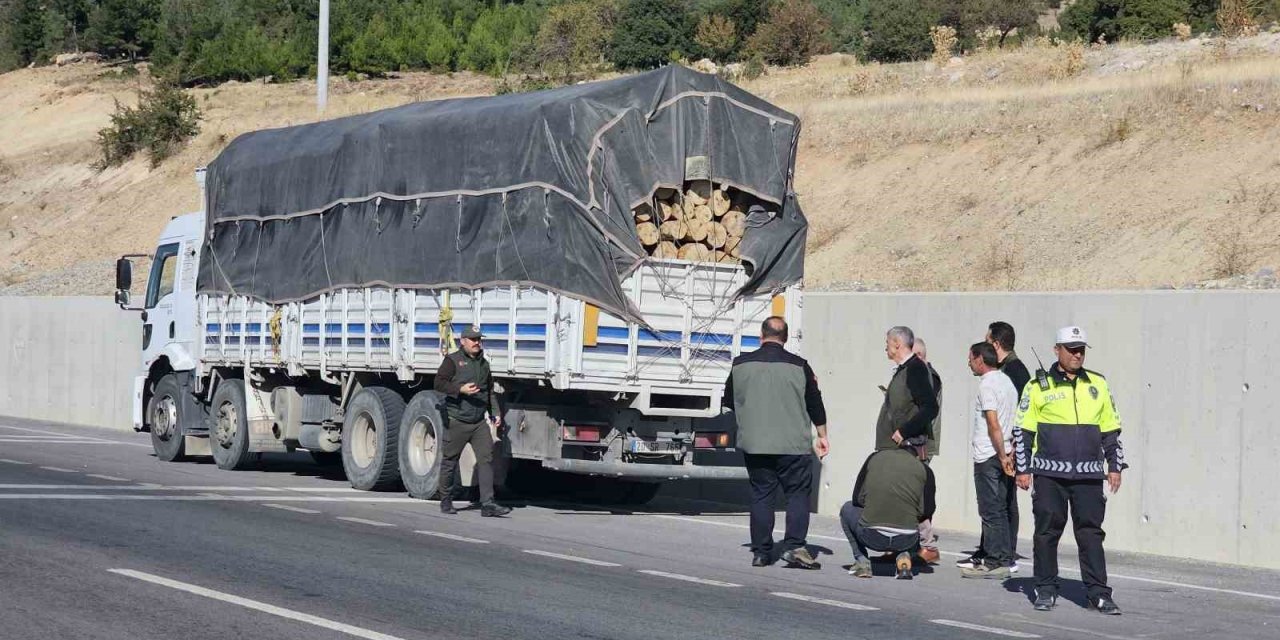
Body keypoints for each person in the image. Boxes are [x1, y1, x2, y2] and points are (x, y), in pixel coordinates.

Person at [1014, 326, 1127, 614]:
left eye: (1081, 350)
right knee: (1047, 533)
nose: (1077, 355)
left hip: (1089, 476)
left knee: (1091, 534)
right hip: (1049, 475)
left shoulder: (1098, 384)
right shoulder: (1037, 386)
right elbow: (1022, 430)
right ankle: (1045, 588)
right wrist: (1022, 469)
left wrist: (1115, 466)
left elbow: (1111, 429)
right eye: (1071, 349)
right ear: (1057, 350)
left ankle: (1098, 593)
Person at [724, 317, 829, 569]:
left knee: (762, 495)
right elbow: (815, 403)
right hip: (793, 445)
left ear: (761, 336)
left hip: (755, 444)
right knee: (797, 495)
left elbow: (728, 400)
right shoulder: (799, 366)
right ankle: (794, 547)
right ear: (786, 338)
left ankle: (761, 553)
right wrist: (823, 435)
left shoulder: (740, 365)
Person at [876, 326, 940, 563]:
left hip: (907, 446)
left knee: (909, 494)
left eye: (887, 342)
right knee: (896, 496)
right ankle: (897, 547)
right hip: (896, 447)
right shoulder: (905, 370)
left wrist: (904, 431)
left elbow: (930, 407)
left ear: (897, 344)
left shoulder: (915, 369)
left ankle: (927, 546)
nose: (885, 347)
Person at [434, 325, 511, 517]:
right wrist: (460, 389)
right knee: (450, 461)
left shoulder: (484, 364)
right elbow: (439, 383)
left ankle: (488, 504)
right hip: (457, 420)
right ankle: (446, 501)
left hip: (478, 422)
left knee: (486, 459)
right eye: (473, 339)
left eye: (479, 339)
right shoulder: (452, 361)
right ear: (463, 341)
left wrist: (495, 412)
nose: (477, 343)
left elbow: (489, 391)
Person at [959, 342, 1019, 580]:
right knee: (1001, 508)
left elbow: (993, 423)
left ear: (980, 360)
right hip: (1005, 452)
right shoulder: (1007, 382)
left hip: (989, 455)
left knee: (990, 510)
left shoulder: (987, 385)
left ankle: (995, 561)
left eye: (971, 358)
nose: (968, 363)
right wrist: (1009, 452)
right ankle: (1004, 559)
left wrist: (1002, 455)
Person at [841, 440, 937, 580]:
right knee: (912, 520)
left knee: (846, 508)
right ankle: (904, 558)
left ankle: (862, 562)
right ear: (918, 452)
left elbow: (857, 499)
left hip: (872, 537)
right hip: (906, 539)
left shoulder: (874, 458)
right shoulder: (923, 469)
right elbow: (926, 511)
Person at [909, 337, 943, 563]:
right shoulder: (924, 375)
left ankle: (927, 544)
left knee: (916, 492)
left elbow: (922, 410)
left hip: (920, 443)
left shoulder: (928, 377)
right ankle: (912, 542)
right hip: (916, 441)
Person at [987, 321, 1031, 400]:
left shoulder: (1014, 372)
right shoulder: (1003, 368)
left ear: (996, 344)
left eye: (987, 342)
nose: (984, 347)